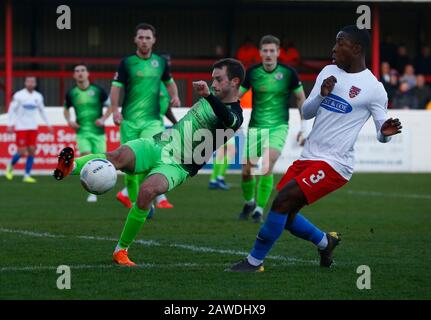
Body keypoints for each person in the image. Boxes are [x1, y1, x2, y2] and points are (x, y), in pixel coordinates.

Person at [229, 25, 402, 272]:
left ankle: (254, 262)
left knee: (282, 201)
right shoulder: (329, 72)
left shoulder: (373, 88)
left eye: (340, 43)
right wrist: (321, 94)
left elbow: (381, 131)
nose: (333, 48)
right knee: (286, 216)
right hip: (309, 156)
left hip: (335, 164)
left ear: (356, 48)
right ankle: (325, 242)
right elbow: (307, 111)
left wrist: (384, 134)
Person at [53, 58, 245, 266]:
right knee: (117, 156)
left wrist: (208, 94)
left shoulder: (235, 115)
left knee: (147, 191)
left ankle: (121, 250)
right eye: (212, 80)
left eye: (218, 80)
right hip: (158, 144)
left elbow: (227, 118)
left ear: (234, 82)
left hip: (178, 165)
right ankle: (69, 167)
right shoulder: (209, 99)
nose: (213, 84)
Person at [110, 23, 181, 211]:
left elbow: (170, 82)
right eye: (140, 37)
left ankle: (148, 200)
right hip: (129, 122)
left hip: (153, 121)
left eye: (147, 37)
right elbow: (116, 88)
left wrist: (175, 95)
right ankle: (135, 204)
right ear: (135, 39)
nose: (144, 41)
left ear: (154, 40)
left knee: (151, 157)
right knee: (128, 165)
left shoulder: (161, 63)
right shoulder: (126, 63)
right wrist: (115, 110)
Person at [238, 34, 306, 223]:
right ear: (260, 53)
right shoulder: (252, 72)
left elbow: (301, 98)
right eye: (265, 51)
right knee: (246, 171)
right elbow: (237, 96)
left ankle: (259, 209)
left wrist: (304, 126)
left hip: (279, 127)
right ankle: (249, 202)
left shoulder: (288, 73)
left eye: (272, 51)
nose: (268, 54)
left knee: (267, 166)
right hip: (255, 128)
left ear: (278, 52)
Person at [64, 63, 111, 202]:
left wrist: (103, 119)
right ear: (74, 75)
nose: (80, 73)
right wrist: (69, 121)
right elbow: (66, 109)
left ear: (87, 74)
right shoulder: (71, 93)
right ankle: (92, 192)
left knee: (101, 161)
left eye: (83, 70)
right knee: (87, 158)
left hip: (98, 132)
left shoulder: (98, 90)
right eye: (77, 71)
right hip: (82, 132)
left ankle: (102, 185)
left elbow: (110, 106)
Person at [5, 76, 53, 183]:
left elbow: (42, 111)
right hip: (21, 127)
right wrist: (10, 124)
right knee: (21, 151)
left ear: (35, 84)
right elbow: (12, 110)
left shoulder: (38, 96)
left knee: (32, 151)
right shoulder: (19, 95)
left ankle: (26, 175)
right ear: (25, 83)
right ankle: (10, 166)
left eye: (32, 82)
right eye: (28, 81)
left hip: (33, 127)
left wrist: (48, 124)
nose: (30, 83)